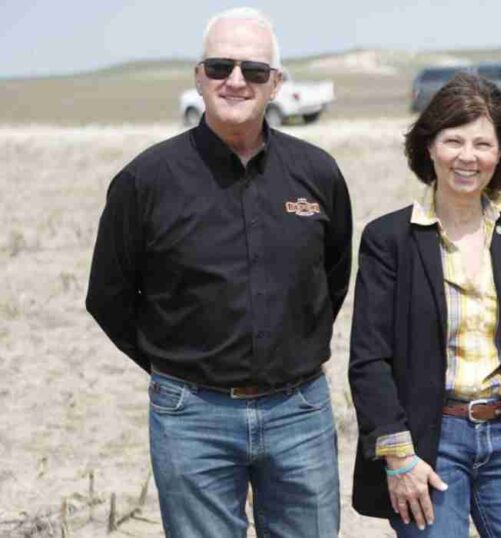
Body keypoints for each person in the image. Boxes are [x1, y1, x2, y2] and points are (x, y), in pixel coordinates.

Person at [85, 7, 351, 537]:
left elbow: (332, 276)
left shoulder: (317, 173)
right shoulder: (145, 181)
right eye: (219, 66)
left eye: (254, 70)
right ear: (198, 76)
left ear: (276, 84)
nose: (235, 81)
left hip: (299, 410)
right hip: (191, 417)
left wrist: (291, 350)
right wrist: (175, 365)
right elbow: (109, 296)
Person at [348, 72, 501, 537]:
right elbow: (369, 359)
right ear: (428, 147)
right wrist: (399, 456)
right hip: (428, 446)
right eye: (453, 141)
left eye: (483, 144)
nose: (468, 157)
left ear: (500, 152)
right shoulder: (388, 239)